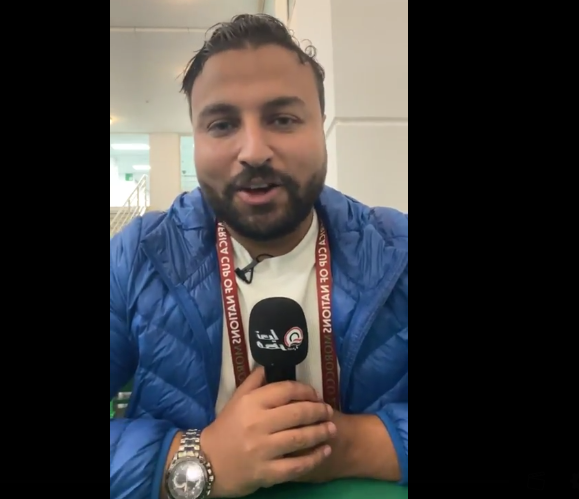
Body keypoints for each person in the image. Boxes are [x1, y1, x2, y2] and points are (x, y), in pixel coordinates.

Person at [110, 13, 408, 499]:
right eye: (222, 124)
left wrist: (353, 445)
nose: (253, 151)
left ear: (321, 128)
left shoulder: (397, 252)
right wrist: (199, 457)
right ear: (196, 139)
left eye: (282, 119)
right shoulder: (137, 258)